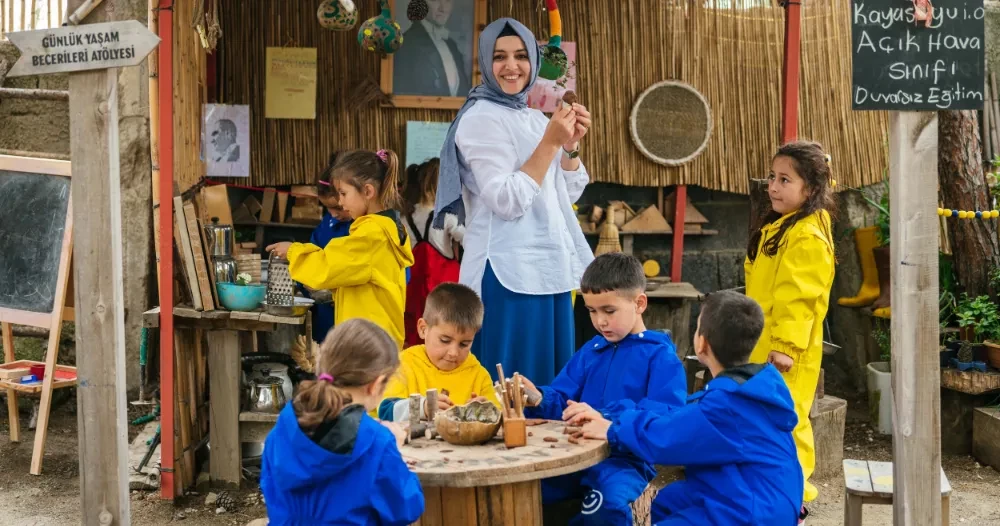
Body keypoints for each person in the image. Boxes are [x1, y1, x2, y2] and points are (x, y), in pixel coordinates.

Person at [434, 18, 594, 386]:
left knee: (548, 390)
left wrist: (570, 146)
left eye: (521, 56)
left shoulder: (535, 119)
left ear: (534, 62)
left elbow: (563, 194)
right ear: (484, 63)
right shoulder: (479, 119)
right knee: (506, 391)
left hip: (549, 267)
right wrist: (552, 143)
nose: (512, 66)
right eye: (499, 56)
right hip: (507, 273)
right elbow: (507, 200)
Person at [573, 290, 803, 525]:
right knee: (667, 500)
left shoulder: (724, 407)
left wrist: (612, 428)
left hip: (752, 512)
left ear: (701, 343)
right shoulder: (752, 388)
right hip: (763, 493)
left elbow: (665, 437)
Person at [516, 253, 687, 525]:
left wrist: (604, 417)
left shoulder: (660, 357)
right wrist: (537, 397)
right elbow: (563, 399)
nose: (600, 321)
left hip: (624, 461)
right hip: (572, 454)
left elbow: (665, 415)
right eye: (592, 311)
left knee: (606, 506)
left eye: (609, 311)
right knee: (527, 490)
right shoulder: (591, 351)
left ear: (639, 303)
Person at [744, 141, 836, 521]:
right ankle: (772, 485)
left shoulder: (806, 236)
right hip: (764, 340)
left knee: (788, 419)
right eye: (772, 177)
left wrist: (784, 346)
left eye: (785, 180)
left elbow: (800, 296)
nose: (773, 186)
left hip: (786, 351)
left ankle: (795, 493)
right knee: (768, 416)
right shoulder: (785, 224)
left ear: (810, 190)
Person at [260, 318, 424, 525]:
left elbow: (271, 491)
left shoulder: (282, 428)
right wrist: (394, 453)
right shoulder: (377, 442)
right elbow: (407, 508)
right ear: (376, 384)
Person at [266, 149, 415, 348]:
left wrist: (293, 251)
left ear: (368, 191)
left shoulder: (371, 235)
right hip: (378, 338)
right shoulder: (388, 228)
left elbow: (328, 266)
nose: (340, 202)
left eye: (344, 193)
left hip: (367, 344)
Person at [379, 282, 498, 421]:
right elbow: (385, 410)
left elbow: (498, 415)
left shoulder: (479, 375)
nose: (454, 352)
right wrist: (423, 408)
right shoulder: (403, 364)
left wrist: (485, 413)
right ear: (423, 329)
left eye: (464, 344)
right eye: (445, 340)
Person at [402, 158, 465, 347]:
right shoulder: (446, 217)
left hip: (413, 287)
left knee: (414, 333)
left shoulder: (405, 216)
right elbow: (469, 240)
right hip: (444, 288)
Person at [393, 0, 471, 97]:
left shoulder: (452, 46)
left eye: (447, 1)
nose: (443, 9)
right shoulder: (406, 44)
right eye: (435, 0)